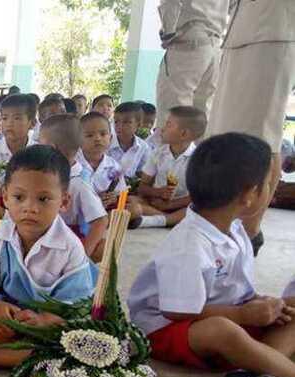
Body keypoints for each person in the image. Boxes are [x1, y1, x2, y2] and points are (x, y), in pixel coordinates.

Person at [128, 132, 295, 377]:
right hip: (166, 329)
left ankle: (258, 374)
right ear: (249, 195)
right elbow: (177, 311)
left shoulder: (235, 229)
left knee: (290, 308)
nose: (271, 190)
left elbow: (237, 290)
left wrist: (261, 304)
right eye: (268, 184)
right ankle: (278, 368)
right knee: (222, 330)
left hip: (226, 314)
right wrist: (244, 315)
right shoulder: (189, 244)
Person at [0, 145, 96, 372]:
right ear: (5, 198)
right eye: (19, 197)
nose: (30, 208)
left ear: (63, 201)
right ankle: (16, 355)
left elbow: (75, 308)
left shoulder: (70, 247)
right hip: (6, 320)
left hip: (47, 325)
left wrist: (43, 321)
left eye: (43, 199)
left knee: (70, 343)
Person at [205, 0, 295, 254]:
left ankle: (249, 230)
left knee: (261, 137)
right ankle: (228, 225)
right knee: (225, 135)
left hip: (273, 30)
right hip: (241, 30)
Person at [39, 114, 108, 261]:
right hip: (43, 234)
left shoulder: (78, 183)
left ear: (51, 148)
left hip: (67, 241)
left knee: (104, 248)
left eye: (40, 144)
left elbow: (100, 220)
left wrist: (83, 256)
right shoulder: (46, 174)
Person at [154, 0, 229, 130]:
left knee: (174, 110)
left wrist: (168, 31)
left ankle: (172, 144)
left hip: (188, 41)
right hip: (215, 45)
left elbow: (170, 3)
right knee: (203, 113)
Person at [137, 105, 205, 229]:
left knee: (200, 209)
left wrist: (170, 205)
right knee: (132, 202)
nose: (162, 129)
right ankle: (167, 219)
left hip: (181, 208)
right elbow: (142, 187)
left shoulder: (198, 160)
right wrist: (158, 192)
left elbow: (198, 197)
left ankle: (161, 220)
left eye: (168, 124)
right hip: (155, 203)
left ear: (183, 134)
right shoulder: (158, 153)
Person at [108, 102, 153, 179]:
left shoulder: (143, 147)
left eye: (126, 122)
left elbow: (142, 173)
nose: (120, 126)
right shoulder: (107, 143)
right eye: (116, 121)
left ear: (138, 124)